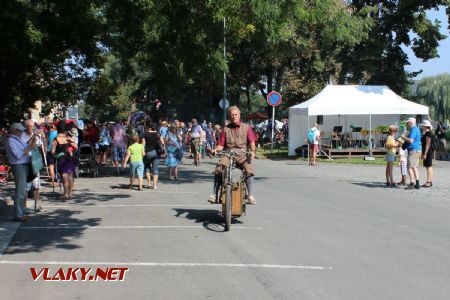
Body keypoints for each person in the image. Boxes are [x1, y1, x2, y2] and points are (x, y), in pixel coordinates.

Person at [209, 106, 257, 205]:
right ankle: (214, 194)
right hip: (228, 153)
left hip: (242, 153)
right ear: (229, 117)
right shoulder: (225, 129)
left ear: (239, 115)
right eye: (232, 115)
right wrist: (215, 150)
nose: (234, 117)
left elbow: (252, 142)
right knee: (219, 168)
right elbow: (221, 145)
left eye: (236, 115)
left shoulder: (247, 127)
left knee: (248, 169)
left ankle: (250, 196)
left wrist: (252, 151)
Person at [5, 123, 37, 221]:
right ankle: (18, 214)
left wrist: (30, 142)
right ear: (14, 130)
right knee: (20, 191)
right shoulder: (11, 140)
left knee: (22, 190)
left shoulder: (18, 139)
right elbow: (18, 155)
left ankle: (21, 210)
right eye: (20, 130)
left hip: (24, 165)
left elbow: (24, 147)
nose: (21, 132)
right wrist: (30, 147)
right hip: (19, 166)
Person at [22, 120, 44, 212]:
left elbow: (40, 146)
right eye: (30, 126)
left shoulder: (36, 135)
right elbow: (26, 146)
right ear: (26, 127)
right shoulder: (22, 136)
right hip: (25, 162)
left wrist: (43, 138)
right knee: (26, 186)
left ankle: (36, 204)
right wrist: (34, 136)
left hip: (34, 162)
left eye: (33, 126)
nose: (32, 128)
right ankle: (24, 206)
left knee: (36, 184)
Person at [51, 122, 77, 200]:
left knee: (64, 176)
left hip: (61, 159)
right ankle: (70, 193)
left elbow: (52, 151)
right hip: (69, 157)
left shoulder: (55, 139)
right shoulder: (68, 138)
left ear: (57, 129)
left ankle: (65, 194)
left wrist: (55, 155)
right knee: (70, 176)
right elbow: (76, 147)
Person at [142, 122, 164, 189]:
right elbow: (162, 143)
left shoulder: (145, 134)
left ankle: (149, 183)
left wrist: (142, 153)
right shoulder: (158, 134)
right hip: (157, 153)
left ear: (149, 127)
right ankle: (154, 185)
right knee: (155, 169)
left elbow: (143, 144)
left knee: (147, 167)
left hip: (148, 152)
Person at [401, 117, 422, 189]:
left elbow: (411, 141)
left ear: (410, 123)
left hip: (413, 150)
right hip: (415, 149)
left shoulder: (413, 129)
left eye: (407, 123)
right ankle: (417, 184)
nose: (406, 124)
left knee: (409, 167)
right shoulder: (415, 129)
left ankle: (412, 183)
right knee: (414, 167)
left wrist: (403, 137)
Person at [420, 120, 434, 187]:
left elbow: (427, 144)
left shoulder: (428, 133)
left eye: (423, 126)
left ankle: (428, 181)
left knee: (428, 166)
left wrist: (425, 153)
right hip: (429, 151)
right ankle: (430, 181)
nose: (422, 127)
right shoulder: (429, 133)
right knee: (428, 166)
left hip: (428, 152)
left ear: (425, 126)